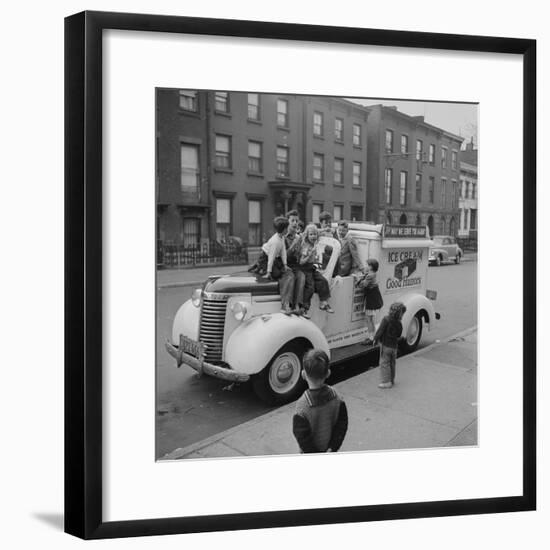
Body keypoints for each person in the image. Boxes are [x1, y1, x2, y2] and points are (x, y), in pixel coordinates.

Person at [292, 349, 348, 453]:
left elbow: (302, 438)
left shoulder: (302, 406)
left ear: (303, 374)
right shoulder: (337, 397)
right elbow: (342, 425)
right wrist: (332, 447)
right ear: (328, 373)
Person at [295, 224, 334, 317]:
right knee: (310, 287)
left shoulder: (314, 242)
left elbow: (318, 232)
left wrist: (325, 229)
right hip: (305, 269)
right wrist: (310, 254)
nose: (313, 236)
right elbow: (301, 262)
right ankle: (304, 308)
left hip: (311, 268)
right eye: (311, 234)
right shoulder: (306, 247)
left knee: (323, 280)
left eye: (315, 234)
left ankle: (323, 302)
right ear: (307, 236)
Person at [373, 302, 406, 389]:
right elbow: (399, 335)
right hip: (394, 347)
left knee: (384, 364)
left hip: (386, 346)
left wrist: (375, 339)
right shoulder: (399, 323)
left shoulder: (386, 319)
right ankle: (391, 380)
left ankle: (386, 382)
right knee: (392, 363)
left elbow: (380, 331)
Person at [248, 216, 289, 281]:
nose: (288, 229)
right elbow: (271, 257)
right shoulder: (275, 242)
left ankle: (260, 266)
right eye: (287, 228)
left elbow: (283, 251)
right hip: (265, 257)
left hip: (272, 257)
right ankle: (260, 266)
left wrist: (285, 264)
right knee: (276, 274)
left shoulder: (282, 237)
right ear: (283, 229)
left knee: (280, 271)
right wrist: (268, 272)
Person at [359, 258, 384, 346]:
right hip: (373, 298)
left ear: (371, 267)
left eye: (368, 265)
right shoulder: (372, 274)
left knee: (368, 319)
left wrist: (357, 279)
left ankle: (370, 338)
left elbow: (363, 285)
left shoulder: (370, 275)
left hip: (371, 299)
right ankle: (373, 336)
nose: (366, 266)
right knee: (371, 319)